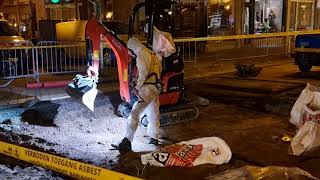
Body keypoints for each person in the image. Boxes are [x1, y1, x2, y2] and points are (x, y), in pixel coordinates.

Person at [112, 37, 163, 153]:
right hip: (155, 87)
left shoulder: (142, 53)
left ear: (133, 47)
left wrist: (137, 86)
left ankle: (127, 141)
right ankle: (154, 137)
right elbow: (159, 70)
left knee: (134, 113)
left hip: (147, 89)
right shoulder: (153, 54)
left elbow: (143, 72)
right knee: (153, 113)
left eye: (130, 50)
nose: (130, 53)